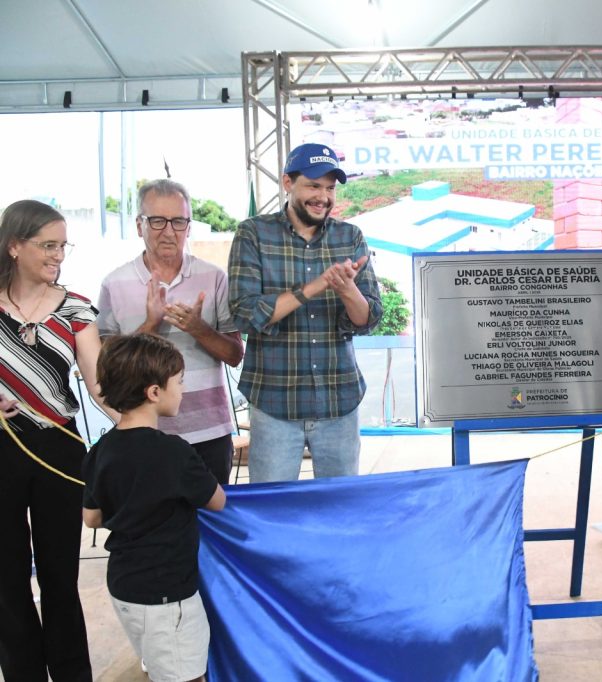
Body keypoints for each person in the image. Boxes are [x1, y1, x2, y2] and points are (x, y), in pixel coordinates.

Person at [229, 143, 382, 483]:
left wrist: (347, 290)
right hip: (273, 403)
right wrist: (312, 288)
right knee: (273, 512)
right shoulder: (253, 233)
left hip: (338, 400)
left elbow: (368, 318)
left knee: (339, 512)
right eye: (314, 185)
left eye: (330, 187)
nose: (323, 196)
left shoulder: (350, 236)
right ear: (288, 182)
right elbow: (244, 314)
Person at [0, 199, 106, 681]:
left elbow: (100, 384)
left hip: (59, 447)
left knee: (61, 576)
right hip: (3, 448)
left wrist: (141, 424)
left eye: (63, 245)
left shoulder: (77, 308)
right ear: (14, 246)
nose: (58, 255)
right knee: (7, 578)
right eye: (48, 245)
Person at [83, 333, 226, 682]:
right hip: (167, 596)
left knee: (160, 666)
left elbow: (92, 518)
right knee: (185, 675)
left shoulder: (100, 449)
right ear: (154, 392)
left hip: (124, 586)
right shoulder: (174, 452)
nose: (182, 388)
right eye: (178, 381)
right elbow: (217, 500)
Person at [97, 179, 243, 484]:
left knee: (210, 523)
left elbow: (234, 355)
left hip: (210, 430)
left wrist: (199, 329)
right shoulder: (115, 283)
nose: (169, 231)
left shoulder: (214, 277)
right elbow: (108, 367)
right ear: (140, 225)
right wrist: (152, 324)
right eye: (157, 220)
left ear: (189, 226)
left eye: (178, 221)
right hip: (144, 433)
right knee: (153, 525)